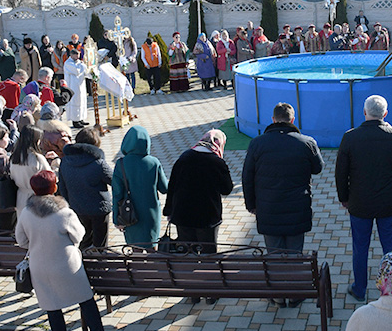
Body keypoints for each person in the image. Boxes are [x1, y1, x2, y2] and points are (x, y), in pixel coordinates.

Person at [15, 170, 120, 331]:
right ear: (54, 187)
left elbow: (21, 240)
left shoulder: (27, 212)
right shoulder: (64, 212)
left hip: (40, 267)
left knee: (52, 308)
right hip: (67, 265)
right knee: (87, 302)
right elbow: (79, 235)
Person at [336, 95, 392, 302]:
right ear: (385, 114)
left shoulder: (350, 137)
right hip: (387, 203)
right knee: (390, 249)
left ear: (364, 112)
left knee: (360, 248)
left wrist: (344, 198)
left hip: (359, 203)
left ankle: (360, 289)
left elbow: (340, 173)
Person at [243, 104, 323, 303]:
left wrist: (251, 204)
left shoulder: (257, 143)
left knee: (274, 254)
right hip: (298, 207)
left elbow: (247, 177)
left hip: (268, 208)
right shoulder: (306, 142)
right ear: (292, 120)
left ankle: (278, 296)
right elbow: (318, 168)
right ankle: (295, 294)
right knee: (295, 253)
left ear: (273, 119)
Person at [165, 129, 233, 260]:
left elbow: (172, 186)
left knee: (186, 254)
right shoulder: (217, 162)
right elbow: (227, 189)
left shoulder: (184, 157)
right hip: (207, 217)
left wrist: (168, 211)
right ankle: (207, 278)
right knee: (208, 254)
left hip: (182, 215)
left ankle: (188, 278)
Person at [111, 126, 168, 249]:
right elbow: (164, 188)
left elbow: (117, 195)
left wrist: (116, 219)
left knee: (135, 249)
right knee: (152, 246)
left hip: (130, 214)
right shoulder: (154, 162)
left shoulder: (120, 164)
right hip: (151, 214)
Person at [59, 127, 114, 250]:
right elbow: (115, 181)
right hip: (99, 209)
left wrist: (71, 203)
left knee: (83, 241)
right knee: (100, 244)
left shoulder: (65, 162)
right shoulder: (98, 163)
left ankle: (84, 265)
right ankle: (101, 265)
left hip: (77, 208)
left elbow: (62, 187)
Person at [10, 125, 52, 215]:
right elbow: (50, 178)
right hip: (37, 197)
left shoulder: (14, 157)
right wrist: (55, 163)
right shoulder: (37, 158)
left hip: (20, 197)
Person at [37, 102, 72, 170]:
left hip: (43, 165)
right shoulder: (61, 134)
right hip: (60, 165)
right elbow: (69, 151)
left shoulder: (38, 130)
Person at [63, 49, 89, 128]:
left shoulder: (79, 63)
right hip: (73, 85)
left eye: (78, 55)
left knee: (82, 101)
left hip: (80, 85)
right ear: (71, 55)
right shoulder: (68, 63)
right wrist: (83, 65)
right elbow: (77, 71)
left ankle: (81, 118)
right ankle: (75, 121)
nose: (78, 57)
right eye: (76, 55)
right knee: (75, 101)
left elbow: (85, 71)